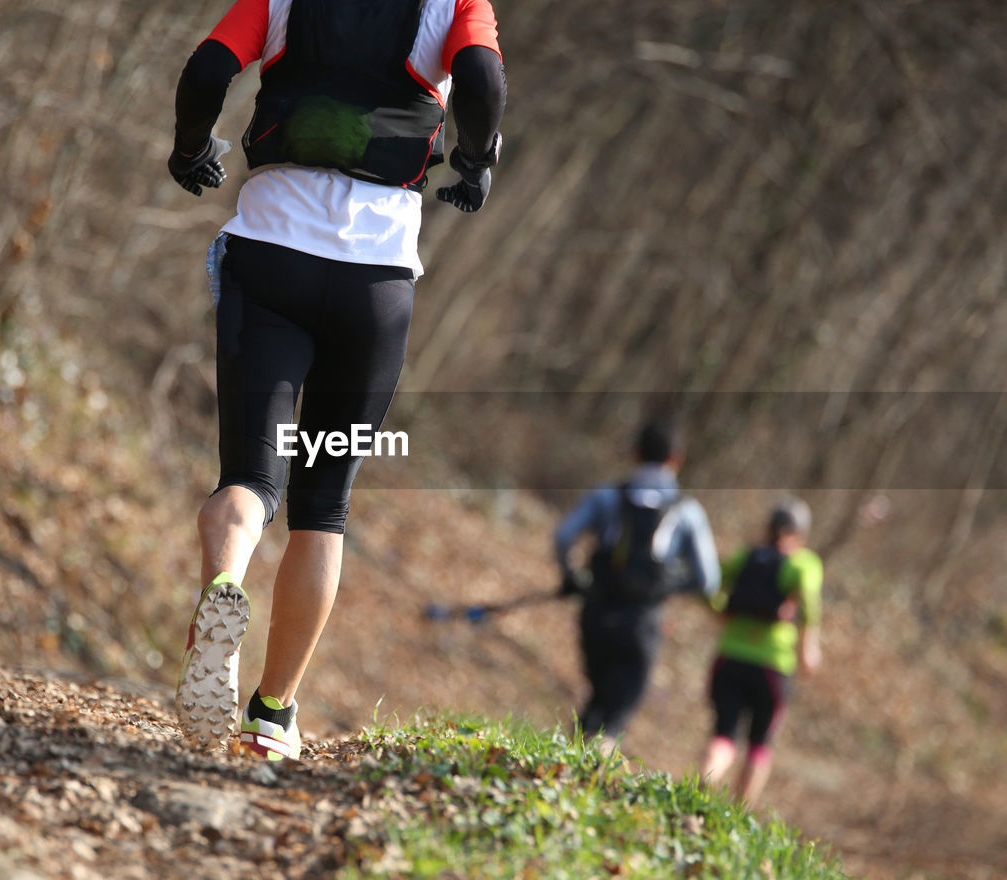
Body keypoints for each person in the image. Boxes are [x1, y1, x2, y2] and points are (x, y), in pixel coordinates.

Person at [168, 0, 507, 761]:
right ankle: (272, 712)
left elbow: (208, 69)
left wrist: (193, 147)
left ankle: (225, 585)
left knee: (251, 478)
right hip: (375, 286)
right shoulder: (455, 4)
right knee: (323, 510)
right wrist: (476, 158)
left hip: (270, 256)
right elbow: (481, 77)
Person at [555, 419, 721, 751]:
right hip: (642, 623)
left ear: (635, 453)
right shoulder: (687, 511)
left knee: (597, 701)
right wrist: (666, 586)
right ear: (677, 458)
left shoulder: (607, 495)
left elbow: (563, 536)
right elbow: (709, 581)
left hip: (596, 612)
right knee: (614, 717)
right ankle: (577, 782)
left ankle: (561, 771)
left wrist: (571, 576)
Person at [699, 497, 823, 804]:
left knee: (723, 736)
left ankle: (698, 795)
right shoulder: (803, 563)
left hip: (729, 657)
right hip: (773, 665)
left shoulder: (746, 556)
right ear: (802, 532)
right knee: (760, 744)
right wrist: (808, 648)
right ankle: (736, 818)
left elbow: (709, 583)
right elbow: (809, 605)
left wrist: (720, 611)